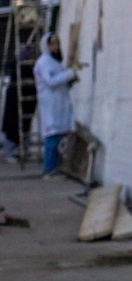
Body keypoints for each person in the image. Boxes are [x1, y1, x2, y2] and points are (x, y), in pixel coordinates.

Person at [35, 33, 76, 176]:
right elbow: (51, 81)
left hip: (59, 102)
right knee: (52, 136)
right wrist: (70, 74)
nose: (55, 46)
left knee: (58, 136)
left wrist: (69, 79)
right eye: (52, 44)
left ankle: (55, 168)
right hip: (51, 103)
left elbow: (59, 80)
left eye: (56, 43)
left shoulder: (55, 61)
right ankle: (49, 169)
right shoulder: (44, 62)